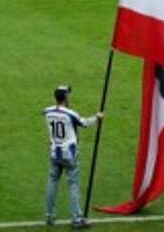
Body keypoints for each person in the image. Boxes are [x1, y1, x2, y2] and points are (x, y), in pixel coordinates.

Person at [43, 84, 102, 228]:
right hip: (69, 154)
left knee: (52, 183)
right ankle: (76, 219)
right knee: (73, 184)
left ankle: (49, 215)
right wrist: (97, 117)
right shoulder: (70, 114)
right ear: (65, 97)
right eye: (68, 94)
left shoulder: (48, 112)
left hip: (54, 152)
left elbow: (45, 111)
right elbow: (84, 123)